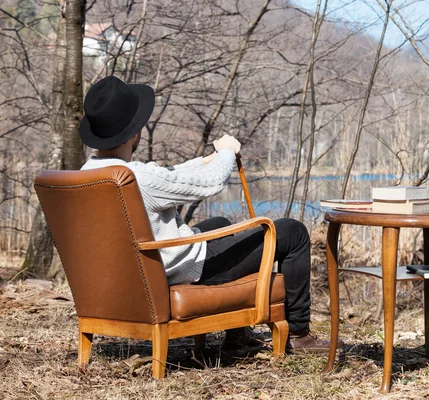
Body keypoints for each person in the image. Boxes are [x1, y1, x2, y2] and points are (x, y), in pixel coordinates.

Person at [79, 75, 341, 353]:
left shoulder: (87, 174)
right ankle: (299, 336)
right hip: (177, 270)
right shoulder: (136, 178)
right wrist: (227, 152)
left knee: (220, 223)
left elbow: (170, 175)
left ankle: (238, 335)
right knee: (292, 231)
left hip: (137, 271)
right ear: (135, 133)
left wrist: (210, 157)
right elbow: (211, 183)